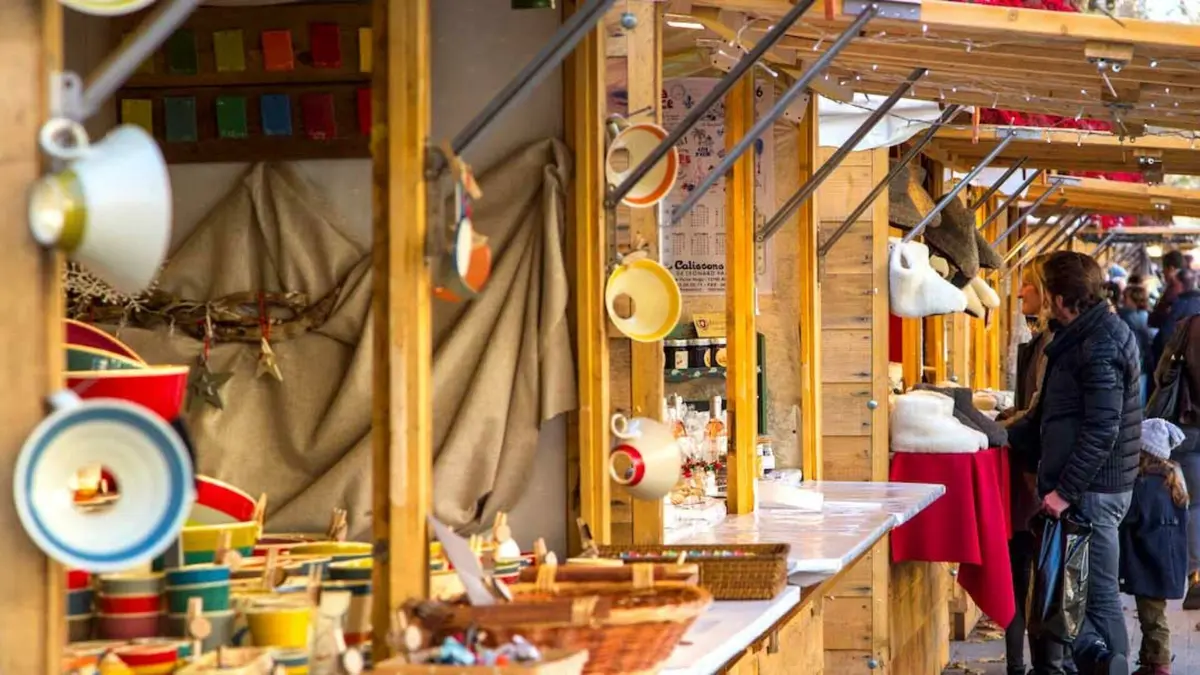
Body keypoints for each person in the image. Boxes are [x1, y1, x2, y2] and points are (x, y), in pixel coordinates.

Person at [1011, 251, 1142, 675]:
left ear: (1061, 297)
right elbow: (1049, 413)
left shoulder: (1099, 341)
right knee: (1073, 594)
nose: (1042, 300)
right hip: (1089, 487)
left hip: (1093, 491)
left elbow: (1103, 428)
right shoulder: (1078, 336)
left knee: (1096, 595)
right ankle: (1096, 664)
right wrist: (992, 432)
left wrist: (1064, 492)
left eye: (1044, 290)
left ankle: (1108, 665)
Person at [999, 254, 1074, 675]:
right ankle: (1036, 663)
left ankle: (1043, 663)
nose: (1020, 293)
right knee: (1030, 572)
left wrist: (1003, 428)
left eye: (1027, 286)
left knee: (1031, 572)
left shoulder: (1051, 346)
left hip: (1038, 474)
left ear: (1046, 295)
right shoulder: (1043, 342)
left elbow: (1039, 413)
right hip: (1036, 470)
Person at [1120, 418, 1189, 675]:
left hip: (1148, 562)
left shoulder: (1142, 486)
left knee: (1152, 618)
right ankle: (1148, 660)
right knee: (1152, 613)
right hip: (1168, 561)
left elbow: (1130, 517)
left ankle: (1160, 665)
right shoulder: (1174, 483)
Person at [1151, 310, 1200, 608]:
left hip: (1190, 424)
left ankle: (1196, 575)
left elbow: (1161, 376)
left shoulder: (1189, 325)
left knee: (1194, 504)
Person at [1150, 250, 1187, 365]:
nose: (1163, 274)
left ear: (1171, 269)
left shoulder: (1175, 289)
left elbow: (1158, 319)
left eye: (1164, 270)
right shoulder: (1187, 285)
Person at [1118, 286, 1154, 405]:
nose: (1123, 300)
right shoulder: (1148, 316)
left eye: (1125, 297)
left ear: (1135, 300)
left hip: (1135, 360)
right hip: (1143, 363)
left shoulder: (1130, 316)